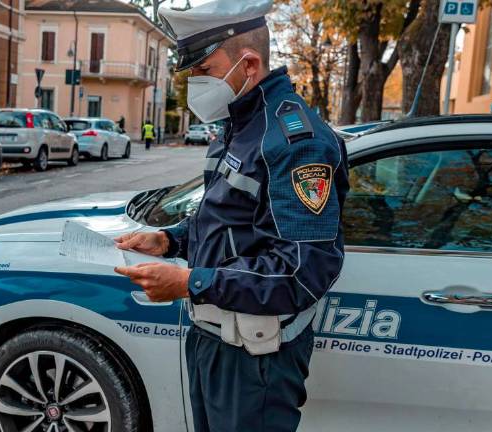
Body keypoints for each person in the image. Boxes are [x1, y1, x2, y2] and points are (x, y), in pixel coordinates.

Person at [114, 1, 348, 431]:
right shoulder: (239, 125)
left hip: (255, 356)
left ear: (249, 63)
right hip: (215, 336)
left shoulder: (295, 141)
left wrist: (190, 282)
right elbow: (228, 219)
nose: (194, 83)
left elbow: (303, 271)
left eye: (204, 70)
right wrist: (170, 240)